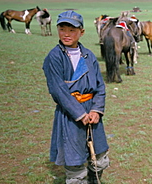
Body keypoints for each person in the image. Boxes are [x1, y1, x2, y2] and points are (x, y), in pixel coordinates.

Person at [43, 10, 110, 184]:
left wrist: (96, 110)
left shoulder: (88, 56)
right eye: (62, 28)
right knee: (75, 162)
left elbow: (100, 86)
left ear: (81, 32)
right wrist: (79, 114)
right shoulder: (54, 57)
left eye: (72, 30)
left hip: (92, 114)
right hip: (70, 114)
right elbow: (58, 90)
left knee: (99, 158)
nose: (67, 34)